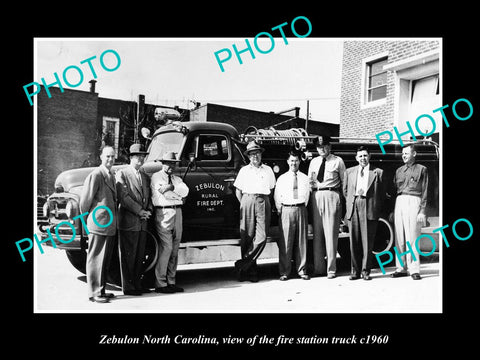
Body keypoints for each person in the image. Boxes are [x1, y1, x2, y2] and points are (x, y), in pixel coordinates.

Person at [233, 141, 276, 282]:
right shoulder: (244, 170)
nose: (255, 156)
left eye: (257, 153)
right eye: (252, 154)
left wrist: (262, 201)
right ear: (248, 156)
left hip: (263, 201)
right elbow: (238, 190)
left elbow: (271, 189)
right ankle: (251, 272)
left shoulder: (268, 170)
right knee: (247, 237)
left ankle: (242, 264)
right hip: (247, 201)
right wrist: (244, 204)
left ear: (261, 154)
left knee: (262, 237)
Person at [80, 145, 118, 303]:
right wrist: (87, 224)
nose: (110, 159)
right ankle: (94, 293)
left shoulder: (110, 175)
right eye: (107, 156)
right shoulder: (96, 175)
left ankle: (101, 290)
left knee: (104, 260)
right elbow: (84, 203)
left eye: (113, 156)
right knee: (95, 259)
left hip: (109, 225)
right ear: (101, 157)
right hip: (98, 224)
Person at [343, 146, 385, 281]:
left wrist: (375, 207)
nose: (363, 158)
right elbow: (345, 191)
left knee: (367, 242)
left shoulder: (377, 172)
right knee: (353, 241)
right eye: (360, 156)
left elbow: (382, 194)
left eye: (365, 155)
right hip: (354, 205)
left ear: (370, 156)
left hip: (369, 207)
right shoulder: (349, 172)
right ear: (356, 158)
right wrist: (353, 202)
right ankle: (355, 271)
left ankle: (366, 271)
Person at [115, 143, 152, 295]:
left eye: (143, 156)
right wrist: (140, 211)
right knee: (128, 256)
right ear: (131, 158)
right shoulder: (122, 174)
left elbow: (148, 197)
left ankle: (137, 284)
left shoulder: (144, 176)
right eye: (138, 156)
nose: (141, 159)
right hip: (129, 222)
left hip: (143, 222)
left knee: (139, 255)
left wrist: (148, 210)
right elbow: (124, 198)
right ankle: (129, 287)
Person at [307, 135, 346, 278]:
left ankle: (331, 269)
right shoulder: (314, 162)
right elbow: (310, 180)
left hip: (331, 195)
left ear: (329, 147)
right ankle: (319, 268)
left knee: (331, 234)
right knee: (318, 234)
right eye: (319, 147)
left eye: (324, 146)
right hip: (316, 197)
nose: (321, 149)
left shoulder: (338, 161)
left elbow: (344, 183)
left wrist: (343, 204)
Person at [151, 151, 189, 293]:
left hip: (177, 212)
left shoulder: (176, 179)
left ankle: (171, 282)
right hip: (164, 212)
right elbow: (163, 192)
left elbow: (185, 191)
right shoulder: (156, 177)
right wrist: (177, 193)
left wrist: (173, 188)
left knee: (174, 249)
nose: (171, 166)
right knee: (166, 248)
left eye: (173, 163)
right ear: (163, 164)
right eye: (168, 163)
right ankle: (161, 284)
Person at [391, 144, 429, 280]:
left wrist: (422, 211)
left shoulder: (422, 169)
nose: (404, 156)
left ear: (414, 154)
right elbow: (395, 189)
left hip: (414, 201)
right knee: (399, 237)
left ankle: (414, 269)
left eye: (406, 153)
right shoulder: (399, 170)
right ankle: (401, 268)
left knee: (412, 237)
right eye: (402, 154)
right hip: (400, 201)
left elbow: (425, 191)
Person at [274, 150, 311, 281]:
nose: (293, 163)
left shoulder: (305, 178)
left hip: (301, 208)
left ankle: (302, 270)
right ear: (288, 162)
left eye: (296, 160)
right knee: (286, 242)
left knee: (302, 242)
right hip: (286, 210)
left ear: (299, 162)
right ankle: (284, 272)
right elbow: (277, 197)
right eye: (291, 160)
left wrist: (300, 207)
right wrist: (282, 210)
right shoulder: (282, 178)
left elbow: (307, 196)